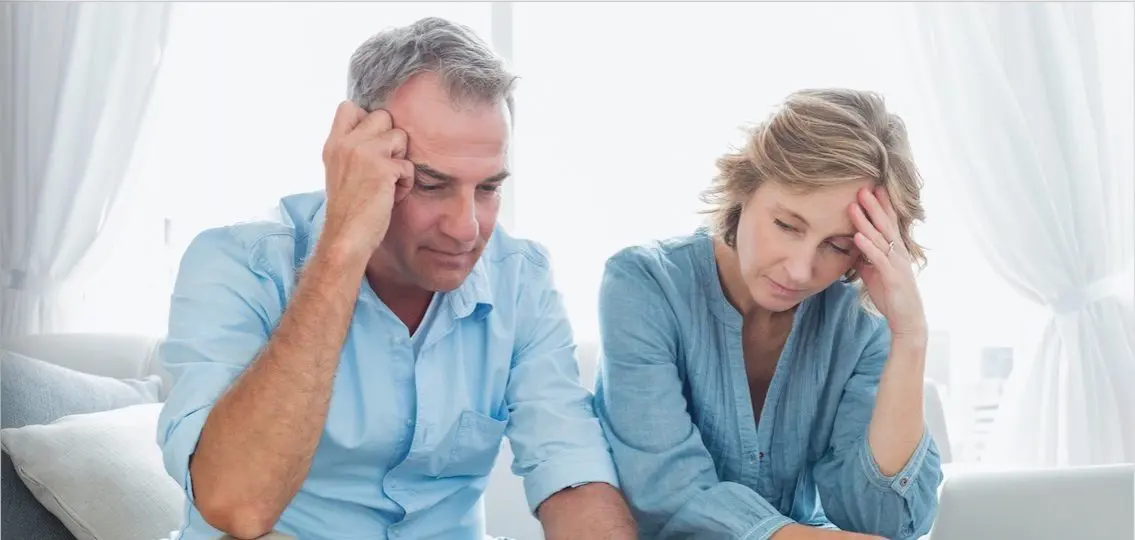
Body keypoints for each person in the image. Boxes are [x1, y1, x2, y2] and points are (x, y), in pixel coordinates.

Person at [156, 17, 636, 540]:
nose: (466, 228)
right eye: (430, 185)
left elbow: (571, 471)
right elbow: (237, 505)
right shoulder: (236, 266)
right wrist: (343, 246)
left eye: (488, 188)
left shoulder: (521, 280)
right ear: (358, 158)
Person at [593, 89, 944, 540]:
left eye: (836, 246)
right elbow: (666, 492)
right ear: (746, 187)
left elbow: (886, 522)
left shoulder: (861, 323)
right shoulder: (645, 283)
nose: (800, 270)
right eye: (786, 225)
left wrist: (910, 335)